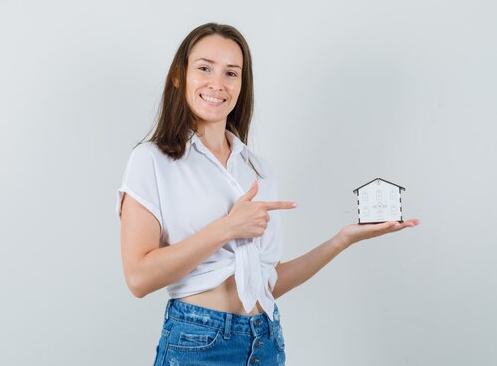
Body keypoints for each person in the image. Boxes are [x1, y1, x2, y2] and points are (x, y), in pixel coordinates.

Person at [116, 22, 420, 366]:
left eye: (232, 73)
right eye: (204, 68)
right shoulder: (152, 160)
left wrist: (342, 240)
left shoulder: (258, 170)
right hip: (198, 341)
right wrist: (227, 228)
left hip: (265, 340)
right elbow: (138, 278)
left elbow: (268, 283)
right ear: (178, 75)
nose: (218, 84)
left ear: (242, 85)